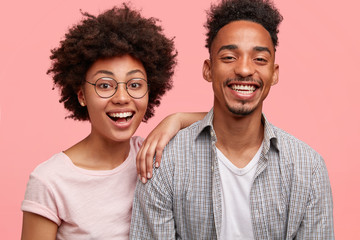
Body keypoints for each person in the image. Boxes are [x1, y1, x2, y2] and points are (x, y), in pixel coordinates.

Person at [130, 0, 334, 239]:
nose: (245, 70)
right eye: (229, 57)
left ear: (274, 74)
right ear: (208, 69)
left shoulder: (308, 168)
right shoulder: (166, 163)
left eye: (259, 59)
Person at [21, 4, 204, 239]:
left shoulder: (153, 155)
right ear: (81, 96)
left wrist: (176, 119)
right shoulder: (50, 181)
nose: (121, 98)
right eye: (104, 85)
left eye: (135, 85)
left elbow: (234, 124)